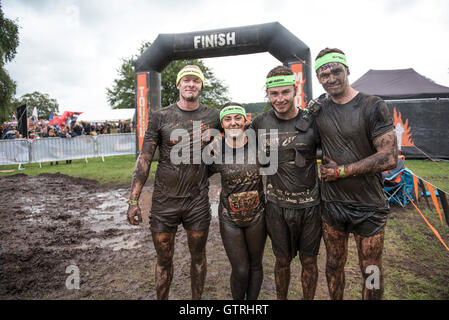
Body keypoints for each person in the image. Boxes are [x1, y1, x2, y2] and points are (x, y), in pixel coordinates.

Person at [126, 65, 220, 300]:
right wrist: (133, 199)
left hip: (197, 201)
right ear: (178, 85)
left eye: (195, 81)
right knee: (164, 259)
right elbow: (145, 158)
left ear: (201, 85)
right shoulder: (160, 116)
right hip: (164, 202)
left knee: (198, 257)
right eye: (186, 80)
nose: (191, 85)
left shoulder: (213, 116)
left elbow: (237, 134)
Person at [313, 48, 398, 300]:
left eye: (336, 71)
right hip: (332, 204)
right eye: (323, 75)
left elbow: (389, 157)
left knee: (371, 269)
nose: (331, 79)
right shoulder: (319, 110)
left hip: (368, 204)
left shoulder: (373, 105)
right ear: (318, 78)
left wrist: (341, 171)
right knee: (333, 265)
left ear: (347, 70)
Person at [249, 66, 321, 300]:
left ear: (295, 90)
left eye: (285, 92)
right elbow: (236, 142)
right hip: (276, 205)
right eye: (274, 94)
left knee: (309, 261)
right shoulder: (260, 122)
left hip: (310, 205)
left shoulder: (312, 121)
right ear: (267, 94)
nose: (280, 99)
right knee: (281, 260)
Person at [208, 102, 266, 300]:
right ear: (222, 124)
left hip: (257, 215)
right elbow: (195, 176)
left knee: (256, 266)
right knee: (241, 269)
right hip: (229, 218)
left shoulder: (258, 146)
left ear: (245, 120)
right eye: (228, 119)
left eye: (237, 118)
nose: (233, 122)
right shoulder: (215, 150)